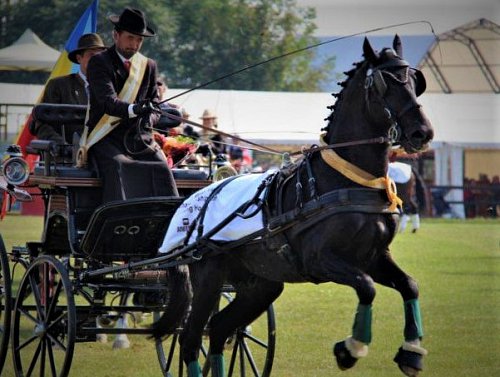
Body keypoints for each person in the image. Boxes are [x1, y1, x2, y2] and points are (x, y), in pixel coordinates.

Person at [83, 7, 178, 203]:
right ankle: (119, 221)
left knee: (161, 166)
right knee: (119, 165)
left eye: (139, 40)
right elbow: (107, 101)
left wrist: (149, 116)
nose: (134, 45)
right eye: (130, 38)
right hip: (107, 137)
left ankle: (166, 221)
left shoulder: (148, 65)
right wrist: (135, 109)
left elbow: (155, 103)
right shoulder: (99, 62)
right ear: (116, 35)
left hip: (139, 138)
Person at [33, 33, 106, 144]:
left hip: (104, 153)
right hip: (67, 156)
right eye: (91, 55)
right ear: (79, 58)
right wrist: (60, 145)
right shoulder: (59, 86)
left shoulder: (111, 87)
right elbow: (41, 124)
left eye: (100, 56)